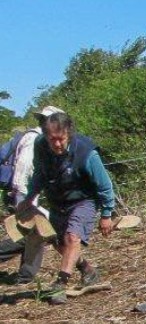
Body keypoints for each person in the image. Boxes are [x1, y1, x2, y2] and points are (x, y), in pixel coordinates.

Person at [16, 112, 115, 304]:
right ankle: (87, 269)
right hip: (57, 201)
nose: (57, 144)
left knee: (73, 237)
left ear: (68, 133)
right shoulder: (40, 147)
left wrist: (106, 213)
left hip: (83, 200)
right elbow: (39, 174)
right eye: (52, 139)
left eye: (60, 139)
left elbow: (104, 185)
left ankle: (60, 283)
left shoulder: (86, 152)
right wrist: (29, 198)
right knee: (59, 243)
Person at [11, 105, 64, 284]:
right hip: (25, 194)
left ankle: (25, 276)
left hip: (27, 195)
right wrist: (26, 200)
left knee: (34, 234)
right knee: (38, 233)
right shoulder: (34, 140)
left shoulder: (42, 140)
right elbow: (24, 171)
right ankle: (26, 276)